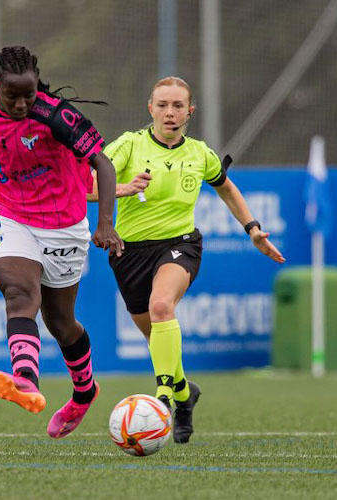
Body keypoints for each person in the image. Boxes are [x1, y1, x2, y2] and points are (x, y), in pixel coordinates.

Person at [89, 76, 285, 444]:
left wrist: (252, 228)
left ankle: (162, 397)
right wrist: (124, 188)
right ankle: (183, 393)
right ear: (150, 109)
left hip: (180, 246)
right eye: (162, 105)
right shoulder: (128, 146)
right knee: (157, 337)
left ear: (189, 111)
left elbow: (225, 185)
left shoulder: (200, 153)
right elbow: (86, 186)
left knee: (162, 305)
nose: (169, 112)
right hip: (127, 253)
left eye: (178, 106)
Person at [0, 46, 123, 439]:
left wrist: (105, 223)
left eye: (30, 94)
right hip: (11, 214)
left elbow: (103, 164)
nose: (22, 104)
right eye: (12, 96)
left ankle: (85, 392)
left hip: (63, 224)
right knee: (19, 293)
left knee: (60, 321)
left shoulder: (59, 117)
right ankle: (25, 379)